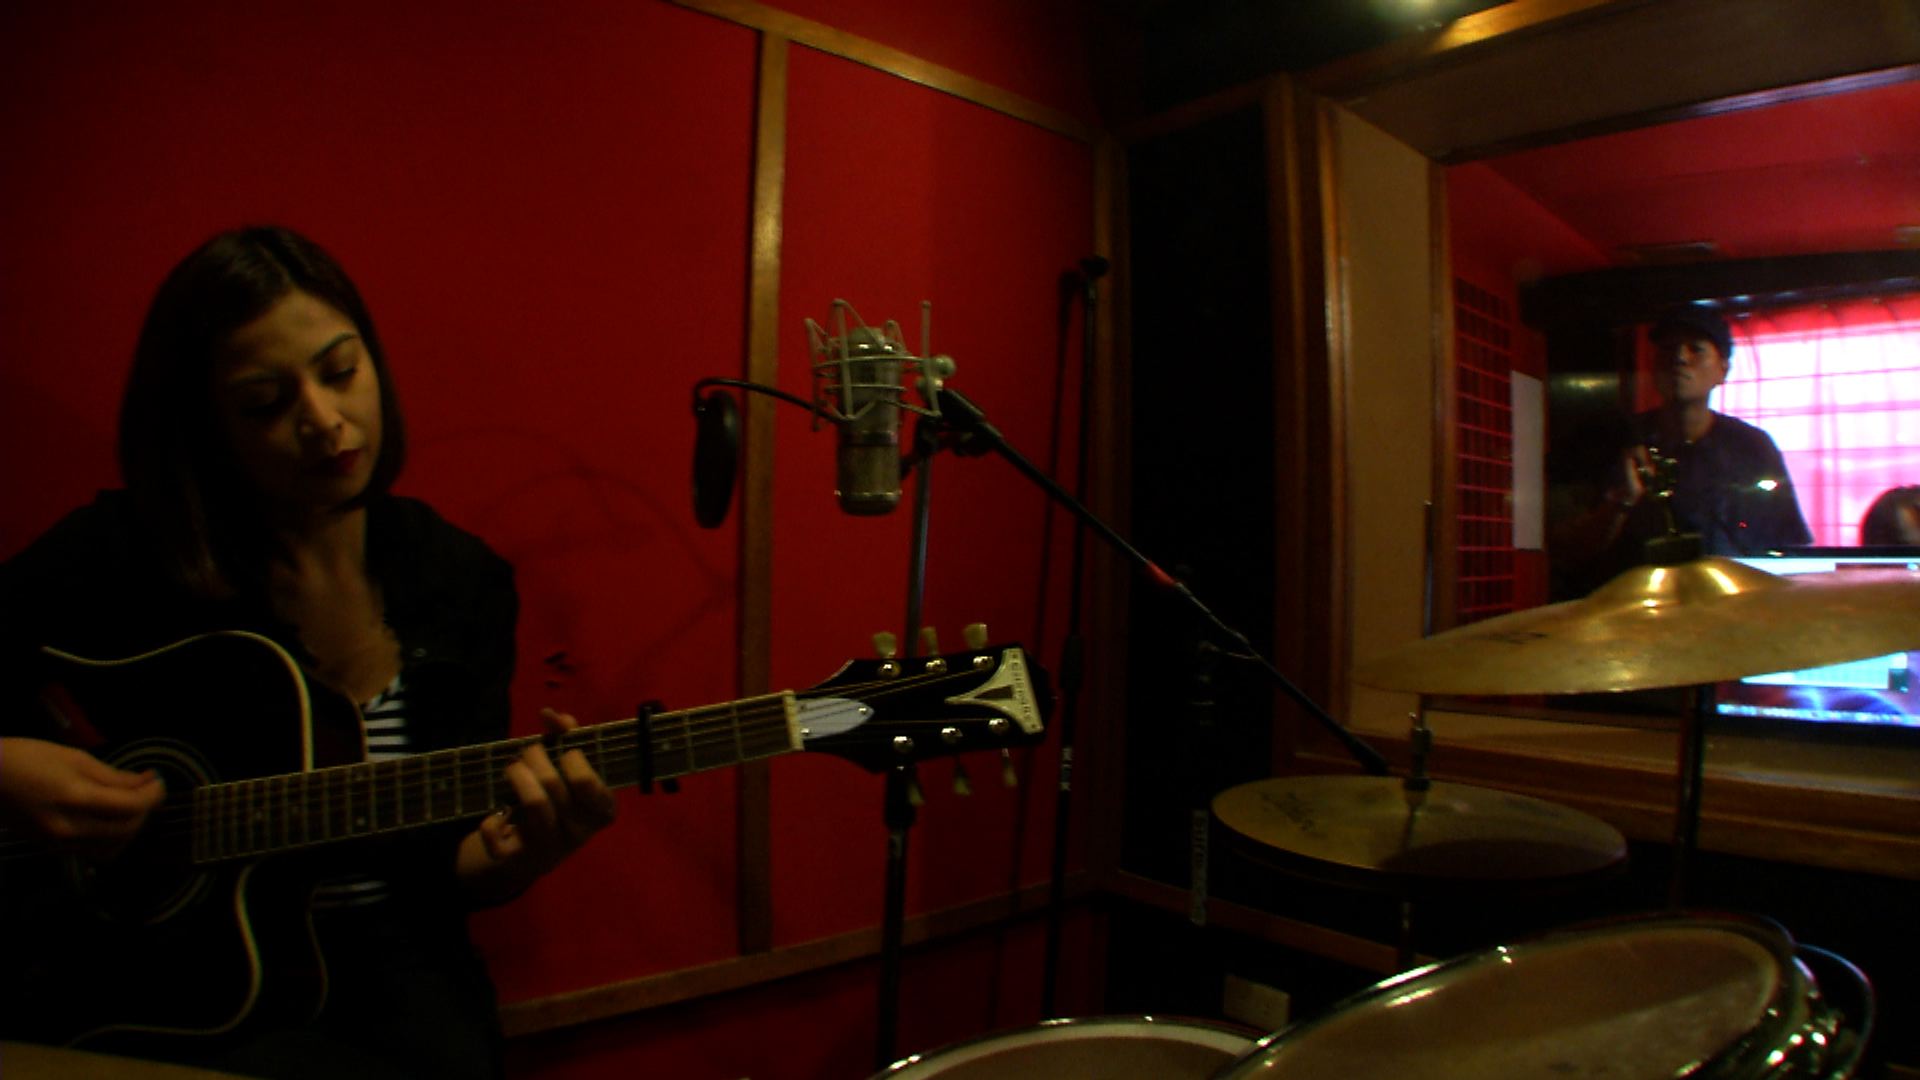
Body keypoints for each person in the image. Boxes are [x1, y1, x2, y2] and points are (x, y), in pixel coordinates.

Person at [0, 226, 616, 1078]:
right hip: (154, 990)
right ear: (202, 427)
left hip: (404, 985)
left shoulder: (459, 580)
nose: (325, 421)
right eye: (264, 403)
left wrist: (525, 851)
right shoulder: (122, 556)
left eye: (341, 371)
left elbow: (451, 867)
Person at [1552, 304, 1811, 584]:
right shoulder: (1613, 438)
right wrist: (1621, 503)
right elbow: (1564, 551)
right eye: (1668, 349)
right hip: (1631, 605)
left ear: (1723, 370)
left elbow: (1787, 549)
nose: (1679, 358)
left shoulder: (1752, 447)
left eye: (1695, 349)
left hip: (1730, 603)